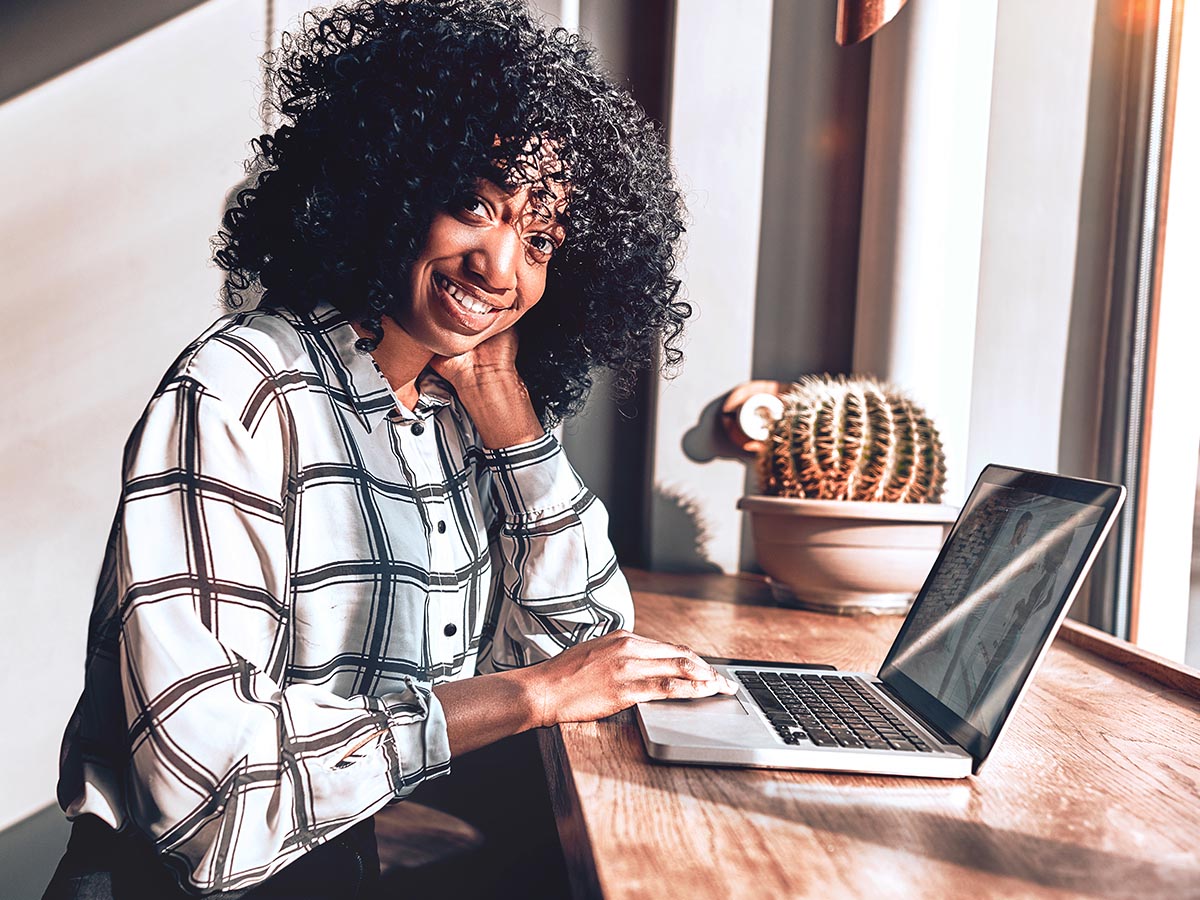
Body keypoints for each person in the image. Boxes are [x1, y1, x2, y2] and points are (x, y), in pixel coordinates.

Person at [43, 2, 736, 897]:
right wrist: (525, 698)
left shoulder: (462, 410)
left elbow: (590, 652)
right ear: (388, 183)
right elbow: (205, 802)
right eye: (473, 203)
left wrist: (516, 427)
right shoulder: (241, 390)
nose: (500, 267)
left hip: (358, 862)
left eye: (540, 239)